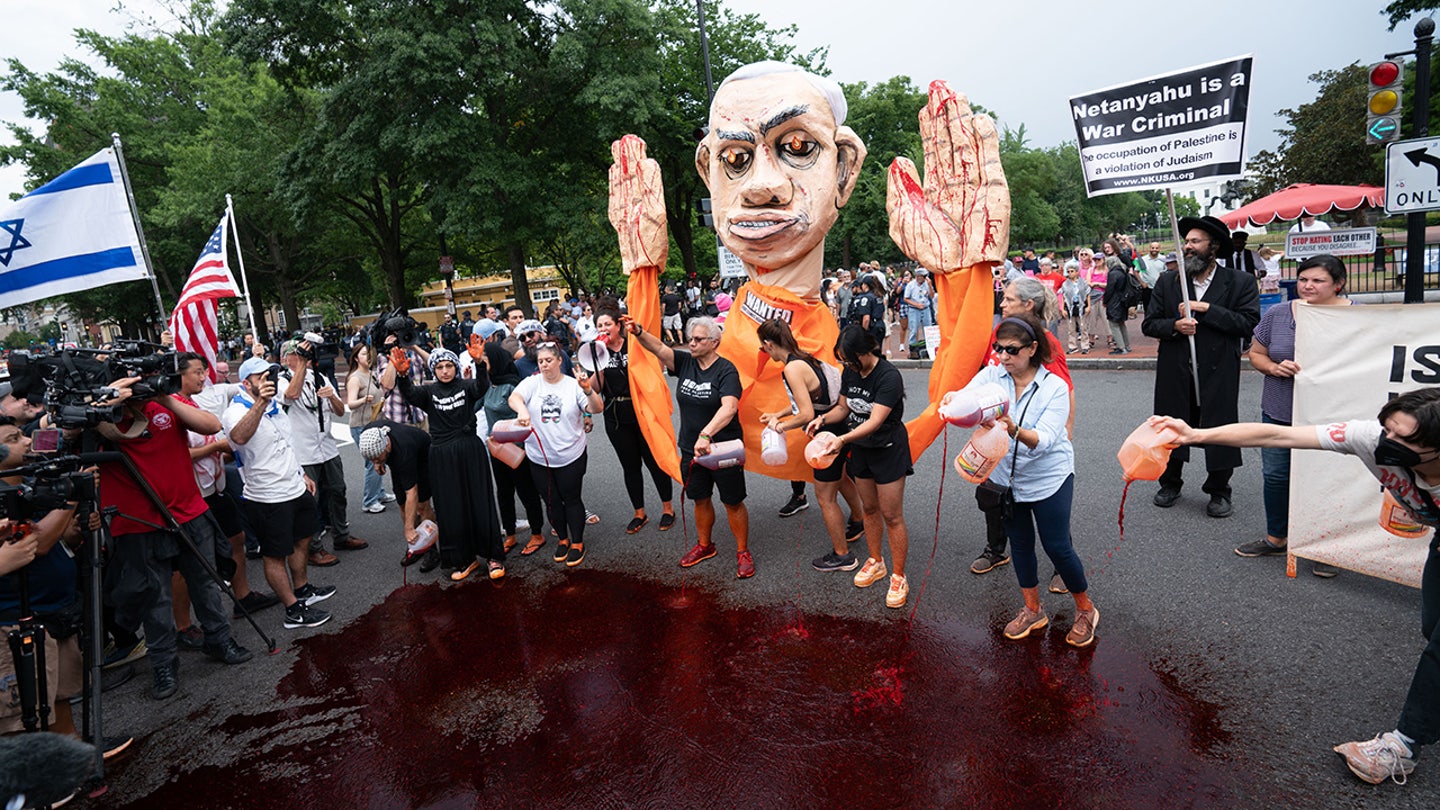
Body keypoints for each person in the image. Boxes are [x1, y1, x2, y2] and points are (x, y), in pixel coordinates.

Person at [1151, 387, 1440, 787]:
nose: (1386, 442)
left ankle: (1404, 746)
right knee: (1432, 630)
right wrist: (1195, 435)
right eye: (1387, 429)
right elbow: (1277, 436)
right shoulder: (1369, 438)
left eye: (1403, 440)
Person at [953, 314, 1096, 644]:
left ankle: (1085, 609)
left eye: (1012, 350)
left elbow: (1045, 440)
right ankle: (1033, 610)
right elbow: (966, 397)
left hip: (1049, 478)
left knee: (1058, 547)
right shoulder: (993, 375)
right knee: (1019, 546)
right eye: (998, 348)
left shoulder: (1054, 388)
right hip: (1008, 480)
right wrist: (952, 401)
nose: (1003, 357)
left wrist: (1009, 425)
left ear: (1033, 348)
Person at [1235, 255, 1355, 577]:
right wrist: (1275, 367)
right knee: (1275, 476)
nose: (1308, 286)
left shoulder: (1356, 316)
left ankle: (1326, 547)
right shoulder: (1277, 313)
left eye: (1318, 281)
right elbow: (1256, 354)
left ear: (1338, 284)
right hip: (1279, 409)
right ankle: (1277, 537)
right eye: (1303, 279)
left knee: (1326, 479)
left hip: (1330, 414)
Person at [1141, 215, 1260, 518]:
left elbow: (1247, 323)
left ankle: (1219, 490)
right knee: (1170, 428)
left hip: (1218, 371)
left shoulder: (1240, 282)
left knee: (1220, 430)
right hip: (1176, 371)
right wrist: (1175, 326)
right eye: (1187, 242)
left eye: (1195, 242)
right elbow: (1150, 324)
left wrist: (1206, 310)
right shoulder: (1169, 282)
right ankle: (1170, 482)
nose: (1187, 247)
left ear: (1214, 246)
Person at [970, 278, 1074, 597]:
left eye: (1009, 299)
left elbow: (1064, 391)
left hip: (1030, 439)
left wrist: (1062, 435)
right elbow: (983, 379)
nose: (1002, 304)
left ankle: (1061, 566)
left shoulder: (1042, 344)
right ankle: (995, 550)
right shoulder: (998, 335)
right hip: (995, 438)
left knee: (1048, 509)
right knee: (994, 497)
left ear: (1029, 305)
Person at [628, 316, 753, 577]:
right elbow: (659, 349)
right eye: (690, 339)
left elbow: (729, 407)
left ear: (715, 342)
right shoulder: (685, 362)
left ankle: (742, 551)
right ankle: (705, 545)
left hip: (723, 448)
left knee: (732, 502)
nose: (691, 344)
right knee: (700, 498)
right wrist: (639, 331)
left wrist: (706, 434)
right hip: (690, 448)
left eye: (698, 340)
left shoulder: (726, 370)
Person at [222, 357, 337, 632]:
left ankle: (302, 589)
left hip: (293, 486)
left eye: (270, 375)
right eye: (262, 377)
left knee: (303, 539)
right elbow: (238, 439)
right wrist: (260, 402)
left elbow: (286, 444)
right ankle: (292, 610)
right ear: (246, 382)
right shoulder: (236, 411)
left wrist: (302, 474)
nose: (268, 381)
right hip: (267, 494)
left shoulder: (274, 406)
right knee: (275, 554)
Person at [807, 326, 912, 608]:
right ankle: (875, 561)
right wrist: (824, 420)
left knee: (891, 515)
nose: (847, 365)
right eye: (843, 360)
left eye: (851, 359)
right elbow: (844, 408)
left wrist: (841, 439)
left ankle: (899, 575)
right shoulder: (851, 372)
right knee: (868, 508)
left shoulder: (889, 376)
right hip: (861, 448)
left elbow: (875, 421)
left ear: (867, 352)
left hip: (887, 448)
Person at [392, 337, 506, 581]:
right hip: (442, 455)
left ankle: (493, 556)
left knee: (480, 502)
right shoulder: (429, 392)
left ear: (456, 367)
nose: (445, 371)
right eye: (440, 367)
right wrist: (402, 376)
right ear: (433, 370)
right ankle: (465, 559)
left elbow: (481, 387)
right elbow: (410, 394)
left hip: (469, 450)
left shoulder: (466, 386)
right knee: (451, 508)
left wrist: (479, 364)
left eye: (449, 366)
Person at [758, 319, 866, 571]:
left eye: (762, 348)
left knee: (824, 496)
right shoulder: (804, 358)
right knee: (840, 479)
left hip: (826, 431)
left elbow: (806, 414)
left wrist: (780, 426)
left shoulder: (791, 369)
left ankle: (843, 556)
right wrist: (778, 414)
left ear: (769, 344)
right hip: (836, 423)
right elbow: (807, 399)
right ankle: (859, 521)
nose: (763, 352)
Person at [509, 343, 605, 567]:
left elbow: (597, 408)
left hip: (570, 454)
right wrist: (522, 410)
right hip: (539, 456)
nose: (544, 365)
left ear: (559, 361)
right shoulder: (532, 382)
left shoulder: (573, 385)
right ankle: (562, 539)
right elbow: (514, 398)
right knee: (551, 501)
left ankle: (577, 542)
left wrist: (587, 389)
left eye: (548, 360)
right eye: (540, 361)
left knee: (571, 498)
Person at [280, 339, 368, 562]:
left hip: (327, 447)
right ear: (285, 358)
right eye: (296, 354)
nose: (302, 357)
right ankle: (313, 548)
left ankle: (341, 535)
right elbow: (291, 395)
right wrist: (301, 365)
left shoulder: (320, 377)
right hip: (302, 451)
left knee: (338, 491)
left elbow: (339, 411)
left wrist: (330, 396)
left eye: (304, 354)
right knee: (311, 500)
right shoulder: (282, 380)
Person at [591, 307, 675, 534]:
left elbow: (654, 360)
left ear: (618, 325)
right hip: (616, 416)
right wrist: (591, 369)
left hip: (642, 411)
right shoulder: (597, 351)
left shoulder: (634, 344)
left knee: (654, 461)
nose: (603, 329)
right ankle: (639, 512)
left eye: (607, 324)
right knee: (630, 466)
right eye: (599, 326)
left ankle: (668, 508)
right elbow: (596, 387)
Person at [358, 421, 440, 571]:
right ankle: (416, 544)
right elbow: (405, 499)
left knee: (421, 505)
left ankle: (430, 549)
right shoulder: (369, 434)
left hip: (424, 456)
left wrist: (408, 528)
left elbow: (412, 492)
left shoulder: (404, 451)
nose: (374, 461)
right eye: (372, 458)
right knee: (401, 502)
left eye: (377, 457)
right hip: (395, 458)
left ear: (386, 447)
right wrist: (377, 462)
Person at [345, 343, 392, 514]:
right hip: (361, 425)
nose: (368, 357)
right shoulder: (356, 378)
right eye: (364, 354)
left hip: (374, 424)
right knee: (373, 462)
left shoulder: (372, 373)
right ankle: (369, 501)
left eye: (369, 354)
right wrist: (363, 400)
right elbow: (350, 403)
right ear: (356, 357)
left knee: (380, 459)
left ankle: (378, 493)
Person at [1102, 244, 1134, 355]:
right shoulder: (1123, 271)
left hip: (1114, 301)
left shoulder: (1113, 274)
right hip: (1122, 300)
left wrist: (1105, 301)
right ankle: (1127, 345)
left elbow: (1110, 289)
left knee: (1114, 324)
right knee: (1121, 323)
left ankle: (1121, 347)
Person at [1058, 261, 1091, 354]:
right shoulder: (1065, 284)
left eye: (1072, 271)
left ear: (1077, 272)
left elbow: (1088, 293)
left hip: (1081, 305)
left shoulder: (1083, 282)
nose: (1070, 273)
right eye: (1068, 272)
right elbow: (1063, 296)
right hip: (1070, 307)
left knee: (1083, 327)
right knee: (1070, 329)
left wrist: (1088, 306)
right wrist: (1063, 308)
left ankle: (1085, 346)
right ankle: (1072, 346)